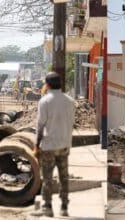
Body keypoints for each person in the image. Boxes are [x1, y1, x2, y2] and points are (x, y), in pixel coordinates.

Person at [33, 72, 75, 217]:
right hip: (64, 145)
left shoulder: (45, 101)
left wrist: (36, 145)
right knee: (64, 177)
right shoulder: (69, 101)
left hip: (48, 146)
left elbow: (40, 125)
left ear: (48, 84)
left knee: (47, 177)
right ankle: (64, 207)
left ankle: (47, 206)